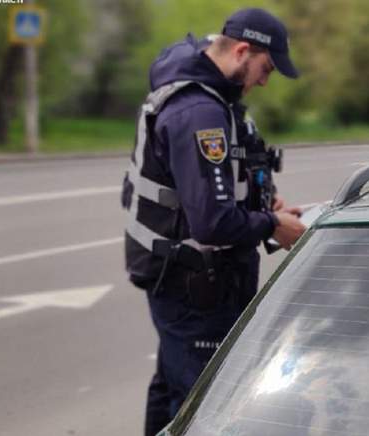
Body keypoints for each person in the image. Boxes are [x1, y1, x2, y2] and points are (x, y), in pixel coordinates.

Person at [120, 8, 307, 435]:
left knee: (172, 388)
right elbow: (212, 222)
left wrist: (263, 199)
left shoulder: (214, 97)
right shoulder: (198, 112)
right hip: (195, 286)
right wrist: (272, 224)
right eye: (266, 68)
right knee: (203, 408)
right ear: (243, 50)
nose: (265, 80)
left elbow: (211, 185)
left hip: (190, 278)